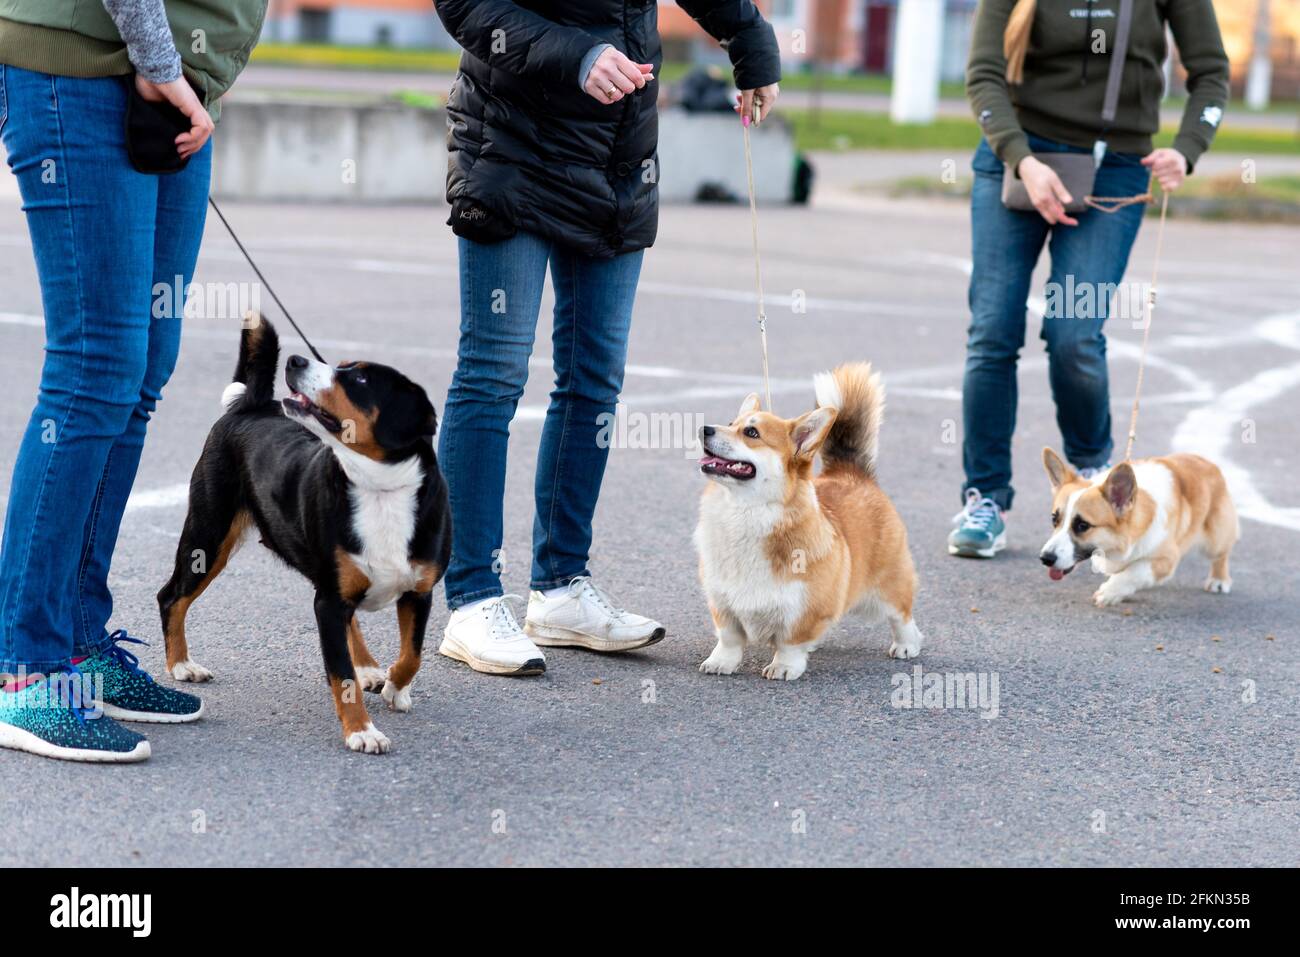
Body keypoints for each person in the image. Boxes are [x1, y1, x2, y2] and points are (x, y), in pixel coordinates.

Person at [433, 0, 781, 675]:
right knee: (493, 372)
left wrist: (749, 39)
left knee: (594, 377)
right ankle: (472, 597)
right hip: (512, 150)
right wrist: (580, 56)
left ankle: (561, 587)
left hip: (616, 162)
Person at [0, 0, 267, 762]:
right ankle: (24, 670)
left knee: (142, 367)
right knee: (94, 366)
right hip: (87, 65)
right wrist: (157, 61)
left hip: (173, 77)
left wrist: (191, 69)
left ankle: (79, 645)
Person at [948, 0, 1229, 559]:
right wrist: (1023, 161)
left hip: (1115, 170)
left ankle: (1101, 485)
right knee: (993, 331)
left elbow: (1212, 74)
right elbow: (982, 73)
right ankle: (985, 499)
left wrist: (1188, 148)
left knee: (1075, 333)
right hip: (1018, 157)